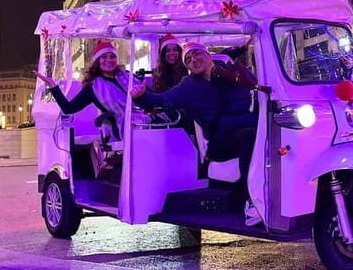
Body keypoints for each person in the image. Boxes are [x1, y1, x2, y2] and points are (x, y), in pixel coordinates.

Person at [131, 42, 259, 198]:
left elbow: (259, 88)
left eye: (197, 53)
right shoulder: (188, 86)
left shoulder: (233, 71)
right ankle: (252, 196)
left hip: (249, 124)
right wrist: (142, 96)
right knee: (249, 136)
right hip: (220, 140)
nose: (193, 60)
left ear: (208, 54)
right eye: (188, 60)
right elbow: (162, 101)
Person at [33, 40, 145, 141]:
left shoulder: (129, 76)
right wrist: (53, 86)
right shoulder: (93, 87)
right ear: (97, 60)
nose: (109, 60)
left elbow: (148, 96)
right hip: (123, 134)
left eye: (112, 56)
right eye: (104, 57)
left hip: (146, 125)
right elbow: (68, 108)